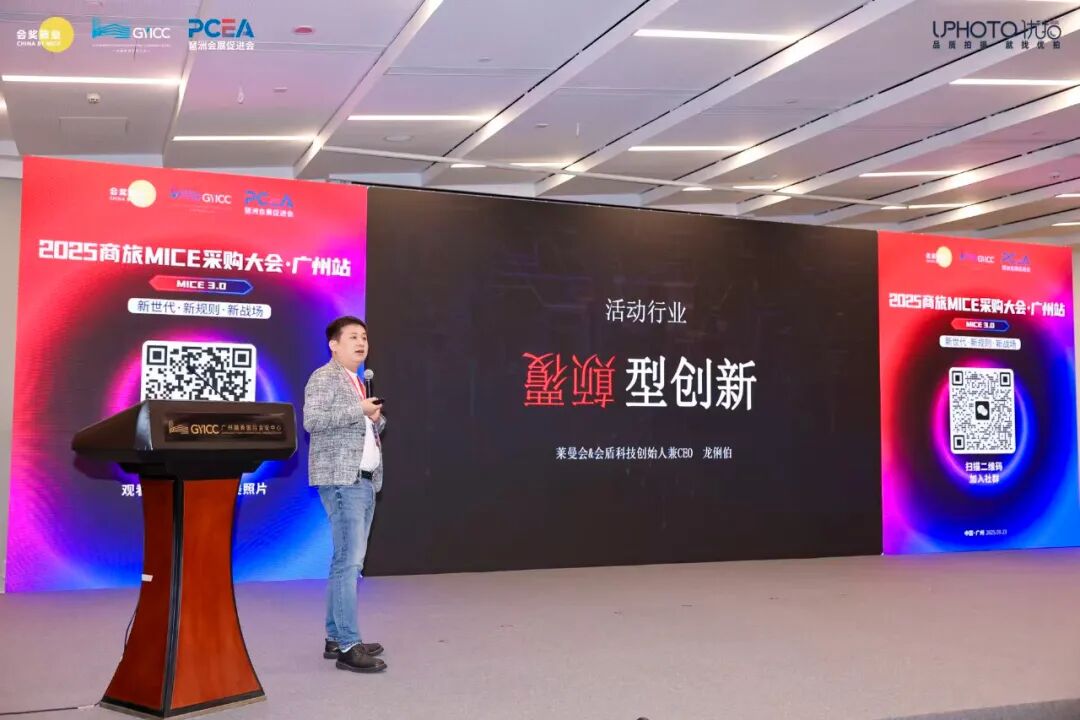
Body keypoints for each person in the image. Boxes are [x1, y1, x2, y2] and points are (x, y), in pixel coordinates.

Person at [303, 315, 387, 673]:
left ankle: (336, 637)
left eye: (364, 336)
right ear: (333, 345)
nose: (361, 342)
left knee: (346, 562)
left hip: (364, 480)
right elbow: (312, 420)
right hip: (342, 479)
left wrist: (375, 418)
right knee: (349, 563)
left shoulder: (358, 381)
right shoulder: (325, 377)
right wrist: (359, 410)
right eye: (353, 337)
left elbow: (361, 426)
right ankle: (349, 646)